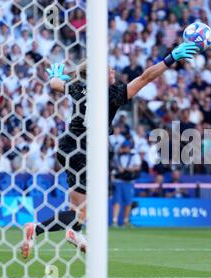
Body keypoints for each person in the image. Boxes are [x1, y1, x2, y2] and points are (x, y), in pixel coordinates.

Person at [21, 42, 199, 258]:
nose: (113, 71)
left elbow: (55, 84)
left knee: (77, 204)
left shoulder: (79, 87)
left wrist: (59, 77)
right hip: (85, 151)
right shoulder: (112, 94)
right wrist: (170, 58)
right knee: (82, 212)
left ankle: (74, 235)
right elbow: (145, 78)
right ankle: (35, 230)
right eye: (108, 69)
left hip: (68, 146)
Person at [111, 138, 141, 227]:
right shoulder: (117, 156)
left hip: (128, 181)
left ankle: (126, 221)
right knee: (117, 201)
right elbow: (113, 167)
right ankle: (114, 221)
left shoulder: (134, 156)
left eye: (126, 147)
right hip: (118, 181)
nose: (125, 149)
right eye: (124, 147)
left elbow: (137, 167)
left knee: (128, 202)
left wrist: (125, 170)